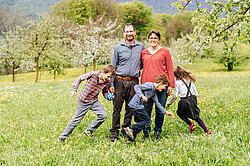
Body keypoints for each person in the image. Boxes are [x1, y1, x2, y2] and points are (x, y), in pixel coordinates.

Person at [59, 65, 115, 142]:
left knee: (103, 115)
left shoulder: (107, 82)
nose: (109, 79)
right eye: (108, 76)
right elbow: (79, 79)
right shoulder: (93, 74)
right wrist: (74, 89)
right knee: (76, 120)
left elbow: (104, 92)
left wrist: (108, 96)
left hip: (94, 101)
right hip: (83, 101)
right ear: (102, 72)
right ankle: (63, 137)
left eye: (110, 77)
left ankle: (89, 131)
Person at [109, 23, 145, 142]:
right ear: (124, 34)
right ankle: (114, 132)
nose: (129, 34)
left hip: (134, 82)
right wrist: (111, 84)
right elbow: (113, 67)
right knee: (117, 108)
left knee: (130, 108)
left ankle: (126, 130)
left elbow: (145, 63)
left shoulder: (141, 47)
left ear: (135, 32)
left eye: (131, 31)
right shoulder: (118, 47)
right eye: (127, 32)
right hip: (119, 80)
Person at [141, 30, 175, 139]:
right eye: (151, 38)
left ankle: (157, 132)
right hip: (147, 86)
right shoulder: (144, 52)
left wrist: (170, 85)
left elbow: (170, 69)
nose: (153, 40)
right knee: (146, 110)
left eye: (155, 38)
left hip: (162, 87)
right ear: (148, 39)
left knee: (160, 110)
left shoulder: (164, 51)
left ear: (159, 40)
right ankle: (146, 132)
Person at [123, 75, 175, 141]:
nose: (164, 88)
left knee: (142, 123)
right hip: (136, 106)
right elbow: (136, 87)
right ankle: (131, 129)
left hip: (137, 106)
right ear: (160, 83)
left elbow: (157, 103)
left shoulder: (154, 92)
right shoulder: (149, 85)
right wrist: (142, 96)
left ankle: (130, 139)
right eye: (164, 86)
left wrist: (166, 112)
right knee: (147, 121)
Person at [167, 66, 211, 135]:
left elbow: (175, 95)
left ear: (177, 76)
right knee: (195, 116)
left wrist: (169, 103)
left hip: (184, 100)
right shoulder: (190, 81)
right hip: (193, 99)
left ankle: (191, 124)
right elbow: (195, 93)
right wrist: (194, 102)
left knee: (180, 113)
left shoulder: (178, 83)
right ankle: (207, 131)